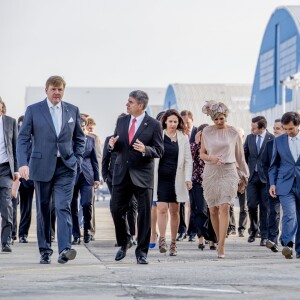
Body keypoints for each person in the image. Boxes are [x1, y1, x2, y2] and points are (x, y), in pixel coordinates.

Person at [17, 75, 85, 264]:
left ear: (64, 90)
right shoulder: (34, 110)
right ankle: (45, 250)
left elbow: (80, 138)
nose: (57, 92)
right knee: (44, 209)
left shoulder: (72, 110)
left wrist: (77, 160)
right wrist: (23, 163)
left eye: (60, 89)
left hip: (66, 166)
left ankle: (64, 249)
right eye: (53, 89)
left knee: (63, 206)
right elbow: (23, 139)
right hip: (41, 166)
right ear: (46, 90)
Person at [109, 90, 164, 265]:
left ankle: (142, 252)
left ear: (140, 105)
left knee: (144, 215)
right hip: (122, 173)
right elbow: (119, 147)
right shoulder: (122, 121)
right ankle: (125, 240)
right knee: (116, 209)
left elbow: (159, 151)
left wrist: (146, 150)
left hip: (142, 175)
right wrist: (112, 145)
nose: (127, 104)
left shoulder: (154, 125)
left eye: (130, 102)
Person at [200, 100, 249, 258]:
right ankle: (217, 238)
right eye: (216, 119)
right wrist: (211, 158)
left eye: (221, 118)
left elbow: (240, 156)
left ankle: (221, 245)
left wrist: (244, 174)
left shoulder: (233, 132)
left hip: (229, 170)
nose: (219, 122)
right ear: (212, 119)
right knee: (213, 210)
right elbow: (202, 154)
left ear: (225, 117)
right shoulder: (207, 132)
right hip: (211, 171)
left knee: (224, 207)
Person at [154, 109, 192, 256]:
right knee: (162, 209)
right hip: (161, 179)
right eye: (170, 121)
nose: (173, 124)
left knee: (175, 212)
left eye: (175, 122)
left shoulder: (183, 138)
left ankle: (173, 243)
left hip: (177, 179)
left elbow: (188, 161)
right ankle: (162, 240)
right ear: (165, 122)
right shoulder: (158, 136)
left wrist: (188, 179)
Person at [102, 113, 138, 246]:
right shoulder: (109, 139)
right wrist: (105, 176)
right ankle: (122, 236)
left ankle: (131, 236)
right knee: (117, 207)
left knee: (132, 206)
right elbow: (105, 159)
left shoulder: (134, 138)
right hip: (114, 179)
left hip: (131, 177)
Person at [269, 112, 300, 259]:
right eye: (285, 129)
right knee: (290, 214)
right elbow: (273, 165)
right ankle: (288, 245)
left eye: (291, 129)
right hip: (284, 184)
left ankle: (299, 250)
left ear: (298, 125)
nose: (288, 132)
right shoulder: (279, 141)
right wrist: (272, 183)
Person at [244, 116, 274, 246]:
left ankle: (264, 235)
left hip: (265, 178)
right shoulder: (250, 138)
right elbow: (245, 155)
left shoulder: (271, 138)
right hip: (252, 177)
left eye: (254, 127)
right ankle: (253, 230)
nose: (251, 129)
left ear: (262, 128)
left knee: (265, 207)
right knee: (251, 204)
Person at [71, 117, 100, 245]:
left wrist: (97, 178)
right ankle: (76, 234)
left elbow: (95, 160)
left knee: (86, 204)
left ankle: (87, 230)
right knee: (72, 206)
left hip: (87, 176)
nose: (82, 128)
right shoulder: (69, 140)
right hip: (72, 175)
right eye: (80, 126)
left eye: (84, 126)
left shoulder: (91, 140)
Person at [189, 124, 217, 250]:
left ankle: (212, 240)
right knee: (200, 210)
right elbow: (189, 160)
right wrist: (196, 142)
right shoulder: (193, 146)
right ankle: (201, 237)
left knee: (212, 211)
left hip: (212, 181)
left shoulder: (214, 147)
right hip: (197, 182)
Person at [262, 119, 285, 253]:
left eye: (278, 128)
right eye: (274, 128)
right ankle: (272, 239)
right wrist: (271, 181)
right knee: (274, 212)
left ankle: (285, 237)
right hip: (272, 184)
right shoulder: (270, 144)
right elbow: (265, 164)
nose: (275, 131)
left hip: (288, 183)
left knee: (288, 212)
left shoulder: (290, 144)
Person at [0, 97, 19, 253]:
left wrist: (17, 170)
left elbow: (16, 146)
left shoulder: (10, 122)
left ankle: (6, 241)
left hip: (6, 170)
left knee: (6, 206)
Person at [177, 110, 197, 242]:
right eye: (183, 122)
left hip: (196, 172)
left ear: (192, 121)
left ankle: (192, 231)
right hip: (182, 172)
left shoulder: (199, 132)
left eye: (188, 122)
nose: (186, 125)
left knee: (193, 203)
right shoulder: (179, 134)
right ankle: (182, 230)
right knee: (181, 203)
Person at [17, 115, 35, 243]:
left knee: (46, 206)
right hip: (23, 177)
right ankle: (22, 234)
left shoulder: (36, 138)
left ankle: (49, 233)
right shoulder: (18, 140)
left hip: (38, 175)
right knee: (25, 207)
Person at [86, 116, 102, 241]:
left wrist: (98, 176)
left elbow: (98, 157)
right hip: (77, 176)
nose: (91, 130)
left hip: (90, 175)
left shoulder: (94, 138)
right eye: (89, 127)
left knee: (89, 204)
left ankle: (90, 230)